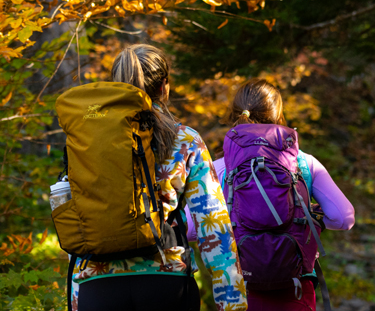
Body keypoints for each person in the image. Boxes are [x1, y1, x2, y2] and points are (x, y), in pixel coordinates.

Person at [72, 44, 247, 311]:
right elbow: (214, 227)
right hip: (166, 283)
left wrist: (76, 296)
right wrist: (232, 303)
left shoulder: (87, 141)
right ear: (165, 87)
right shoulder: (185, 140)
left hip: (97, 283)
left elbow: (79, 216)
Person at [186, 78, 355, 311]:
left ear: (236, 113)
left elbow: (191, 228)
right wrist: (310, 218)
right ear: (278, 114)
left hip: (239, 291)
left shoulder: (219, 168)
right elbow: (344, 218)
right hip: (296, 289)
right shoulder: (304, 164)